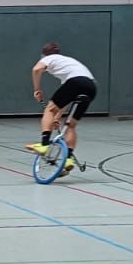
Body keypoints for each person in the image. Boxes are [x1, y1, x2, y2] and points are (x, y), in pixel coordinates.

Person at [25, 42, 96, 175]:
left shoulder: (48, 58)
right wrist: (57, 117)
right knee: (71, 125)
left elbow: (36, 70)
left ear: (43, 55)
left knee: (49, 110)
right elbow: (66, 100)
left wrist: (37, 89)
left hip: (75, 82)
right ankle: (68, 160)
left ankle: (44, 145)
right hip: (91, 87)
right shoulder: (69, 62)